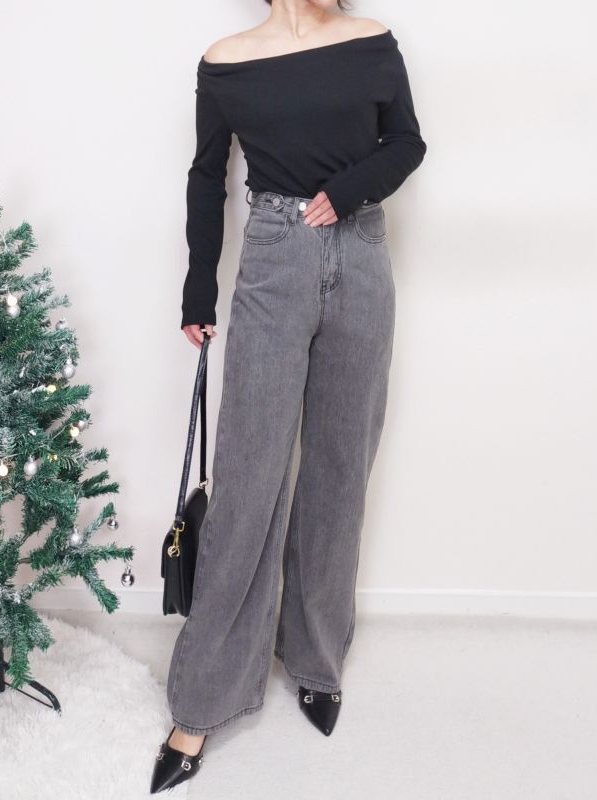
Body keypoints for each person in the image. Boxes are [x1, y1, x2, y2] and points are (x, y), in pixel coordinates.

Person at [150, 0, 427, 792]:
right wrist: (198, 288)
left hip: (362, 255)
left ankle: (314, 658)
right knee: (250, 479)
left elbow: (407, 141)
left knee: (340, 470)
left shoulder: (371, 43)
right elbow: (207, 174)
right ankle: (201, 701)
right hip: (273, 257)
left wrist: (350, 189)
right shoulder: (228, 60)